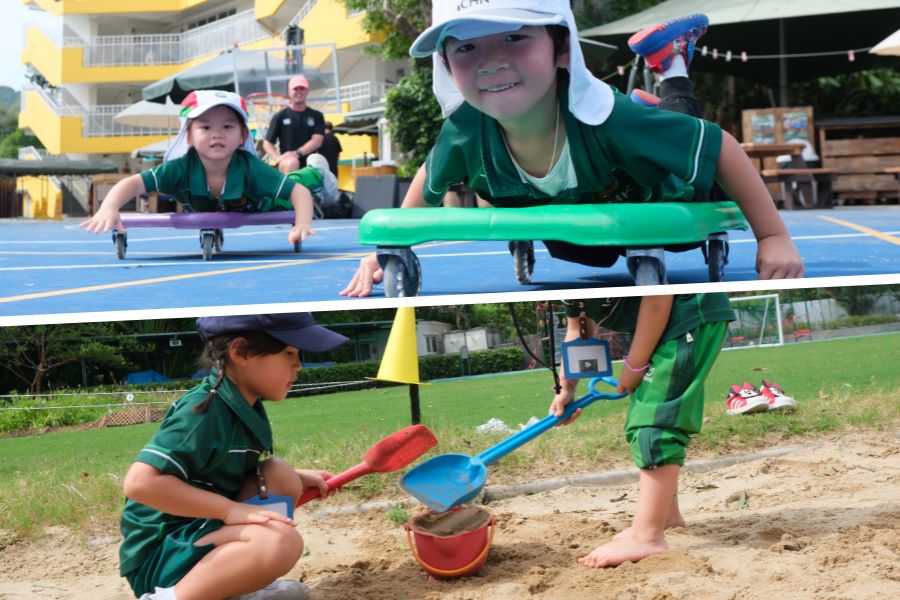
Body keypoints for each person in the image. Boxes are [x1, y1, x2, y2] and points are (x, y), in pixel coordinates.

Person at [340, 2, 804, 297]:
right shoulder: (465, 130)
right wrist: (390, 242)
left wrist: (772, 236)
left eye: (515, 37)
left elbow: (718, 143)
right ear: (446, 65)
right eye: (465, 48)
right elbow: (430, 173)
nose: (491, 60)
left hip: (657, 188)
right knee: (586, 254)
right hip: (583, 218)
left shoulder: (608, 121)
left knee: (678, 181)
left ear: (561, 48)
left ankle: (673, 64)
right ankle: (661, 92)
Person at [119, 312, 348, 600]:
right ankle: (173, 596)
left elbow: (223, 469)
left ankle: (231, 586)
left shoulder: (239, 405)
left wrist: (299, 477)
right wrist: (230, 511)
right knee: (280, 541)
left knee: (279, 475)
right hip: (163, 554)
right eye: (289, 353)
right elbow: (140, 483)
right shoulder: (201, 413)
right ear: (240, 352)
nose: (298, 365)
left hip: (195, 533)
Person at [549, 294, 735, 568]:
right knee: (647, 412)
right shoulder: (569, 286)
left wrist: (635, 365)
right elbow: (579, 330)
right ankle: (666, 515)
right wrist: (568, 388)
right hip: (662, 326)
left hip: (685, 318)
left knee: (654, 422)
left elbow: (658, 298)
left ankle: (648, 536)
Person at [80, 90, 327, 246]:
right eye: (205, 127)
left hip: (266, 202)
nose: (216, 134)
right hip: (224, 206)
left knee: (299, 182)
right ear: (188, 136)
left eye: (227, 127)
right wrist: (108, 207)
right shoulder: (179, 168)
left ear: (243, 136)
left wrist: (303, 222)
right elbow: (133, 183)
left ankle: (319, 171)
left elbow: (298, 193)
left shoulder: (249, 166)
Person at [263, 75, 325, 174]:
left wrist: (297, 153)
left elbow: (317, 141)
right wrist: (277, 158)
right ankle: (290, 188)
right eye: (295, 89)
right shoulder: (280, 116)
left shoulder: (316, 115)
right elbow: (267, 143)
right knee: (292, 162)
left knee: (322, 163)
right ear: (289, 91)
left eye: (302, 88)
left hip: (310, 163)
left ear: (307, 91)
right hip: (288, 163)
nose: (299, 92)